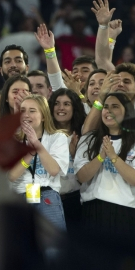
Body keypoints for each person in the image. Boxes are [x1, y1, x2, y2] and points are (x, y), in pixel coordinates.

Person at [75, 93, 135, 239]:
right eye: (105, 107)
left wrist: (113, 156)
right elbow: (82, 177)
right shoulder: (89, 139)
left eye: (115, 107)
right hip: (95, 211)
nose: (108, 111)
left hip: (129, 213)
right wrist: (101, 156)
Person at [8, 94, 69, 231]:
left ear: (44, 116)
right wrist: (29, 153)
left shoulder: (57, 138)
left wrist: (37, 144)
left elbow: (53, 170)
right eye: (23, 110)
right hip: (19, 198)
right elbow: (11, 176)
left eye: (32, 110)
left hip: (47, 196)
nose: (26, 115)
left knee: (53, 249)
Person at [49, 88, 87, 232]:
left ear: (74, 108)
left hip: (75, 199)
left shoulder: (84, 135)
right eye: (57, 103)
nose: (60, 108)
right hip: (50, 200)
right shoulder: (45, 135)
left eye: (66, 104)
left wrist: (74, 154)